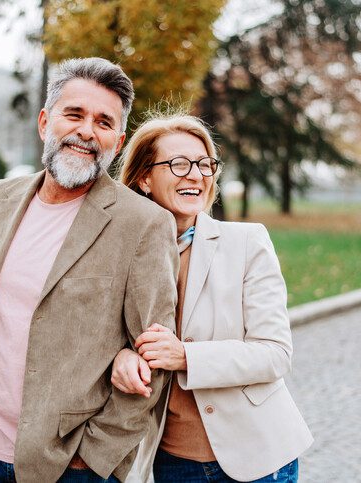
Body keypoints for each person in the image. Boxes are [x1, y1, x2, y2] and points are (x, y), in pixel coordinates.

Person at [0, 58, 179, 483]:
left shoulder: (143, 224)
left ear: (117, 143)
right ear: (45, 121)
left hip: (69, 465)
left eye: (104, 122)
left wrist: (95, 456)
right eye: (74, 114)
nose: (87, 130)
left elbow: (153, 357)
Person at [113, 114, 313, 482]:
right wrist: (122, 355)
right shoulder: (119, 254)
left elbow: (275, 353)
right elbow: (106, 335)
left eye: (205, 164)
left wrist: (185, 356)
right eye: (178, 164)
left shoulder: (248, 242)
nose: (195, 175)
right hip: (171, 461)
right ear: (144, 178)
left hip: (258, 458)